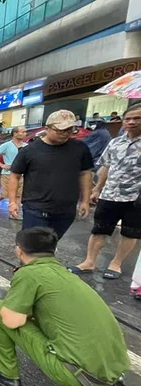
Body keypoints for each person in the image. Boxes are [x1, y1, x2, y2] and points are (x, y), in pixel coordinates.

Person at [0, 227, 129, 386]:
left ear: (19, 250)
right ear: (54, 251)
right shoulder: (66, 273)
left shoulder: (29, 273)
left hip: (75, 377)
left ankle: (5, 374)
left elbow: (11, 320)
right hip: (109, 375)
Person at [71, 104, 141, 279]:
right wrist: (96, 189)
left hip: (136, 197)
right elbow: (107, 167)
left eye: (137, 118)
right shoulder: (115, 142)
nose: (131, 122)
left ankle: (116, 264)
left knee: (129, 232)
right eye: (128, 118)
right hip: (110, 194)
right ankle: (89, 262)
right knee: (99, 229)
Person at [8, 110, 93, 240]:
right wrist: (12, 202)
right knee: (32, 246)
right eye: (61, 130)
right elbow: (15, 175)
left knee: (51, 243)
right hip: (35, 209)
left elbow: (85, 174)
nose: (65, 134)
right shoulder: (29, 151)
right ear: (47, 129)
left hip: (66, 210)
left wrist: (85, 201)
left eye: (70, 130)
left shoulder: (80, 148)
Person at [0, 126, 27, 218]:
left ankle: (14, 213)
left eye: (25, 132)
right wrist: (2, 165)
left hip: (21, 174)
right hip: (8, 174)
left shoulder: (26, 146)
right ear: (15, 133)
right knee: (7, 194)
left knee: (18, 194)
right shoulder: (7, 145)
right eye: (22, 132)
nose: (24, 134)